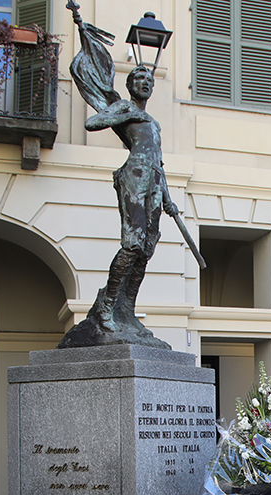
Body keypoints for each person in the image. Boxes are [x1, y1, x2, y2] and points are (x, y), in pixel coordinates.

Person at [57, 12, 179, 349]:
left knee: (147, 249)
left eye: (149, 80)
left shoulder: (152, 120)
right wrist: (119, 113)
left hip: (154, 180)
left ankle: (127, 309)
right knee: (132, 244)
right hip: (134, 177)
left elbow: (159, 161)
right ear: (130, 84)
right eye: (139, 78)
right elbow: (94, 123)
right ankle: (108, 307)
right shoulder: (127, 108)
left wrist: (167, 196)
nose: (145, 82)